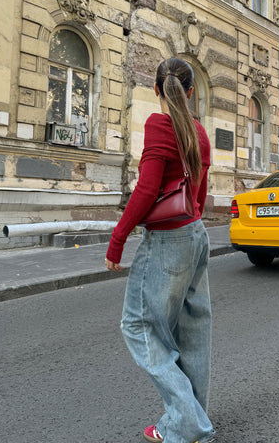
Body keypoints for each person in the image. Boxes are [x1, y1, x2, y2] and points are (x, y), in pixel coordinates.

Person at [104, 57, 215, 443]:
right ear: (189, 92)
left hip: (168, 238)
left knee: (138, 326)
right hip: (196, 232)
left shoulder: (158, 124)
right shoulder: (199, 131)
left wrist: (117, 240)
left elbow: (148, 189)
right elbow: (199, 192)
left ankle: (188, 424)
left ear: (156, 90)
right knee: (194, 331)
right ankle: (193, 418)